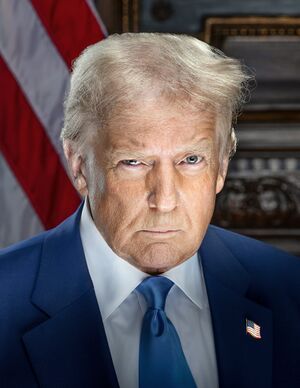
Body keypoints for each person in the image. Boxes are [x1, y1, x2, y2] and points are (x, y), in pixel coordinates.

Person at [1, 33, 299, 388]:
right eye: (134, 162)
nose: (165, 200)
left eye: (191, 160)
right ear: (80, 166)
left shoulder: (290, 289)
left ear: (221, 166)